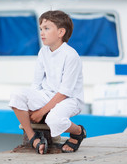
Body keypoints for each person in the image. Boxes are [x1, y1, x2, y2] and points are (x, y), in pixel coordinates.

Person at [9, 10, 86, 154]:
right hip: (47, 94)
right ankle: (33, 138)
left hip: (69, 99)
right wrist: (32, 102)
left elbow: (65, 91)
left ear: (61, 32)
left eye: (46, 28)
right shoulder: (43, 52)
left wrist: (41, 112)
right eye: (41, 29)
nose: (42, 33)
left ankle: (78, 131)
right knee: (17, 95)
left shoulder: (71, 55)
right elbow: (36, 84)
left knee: (54, 120)